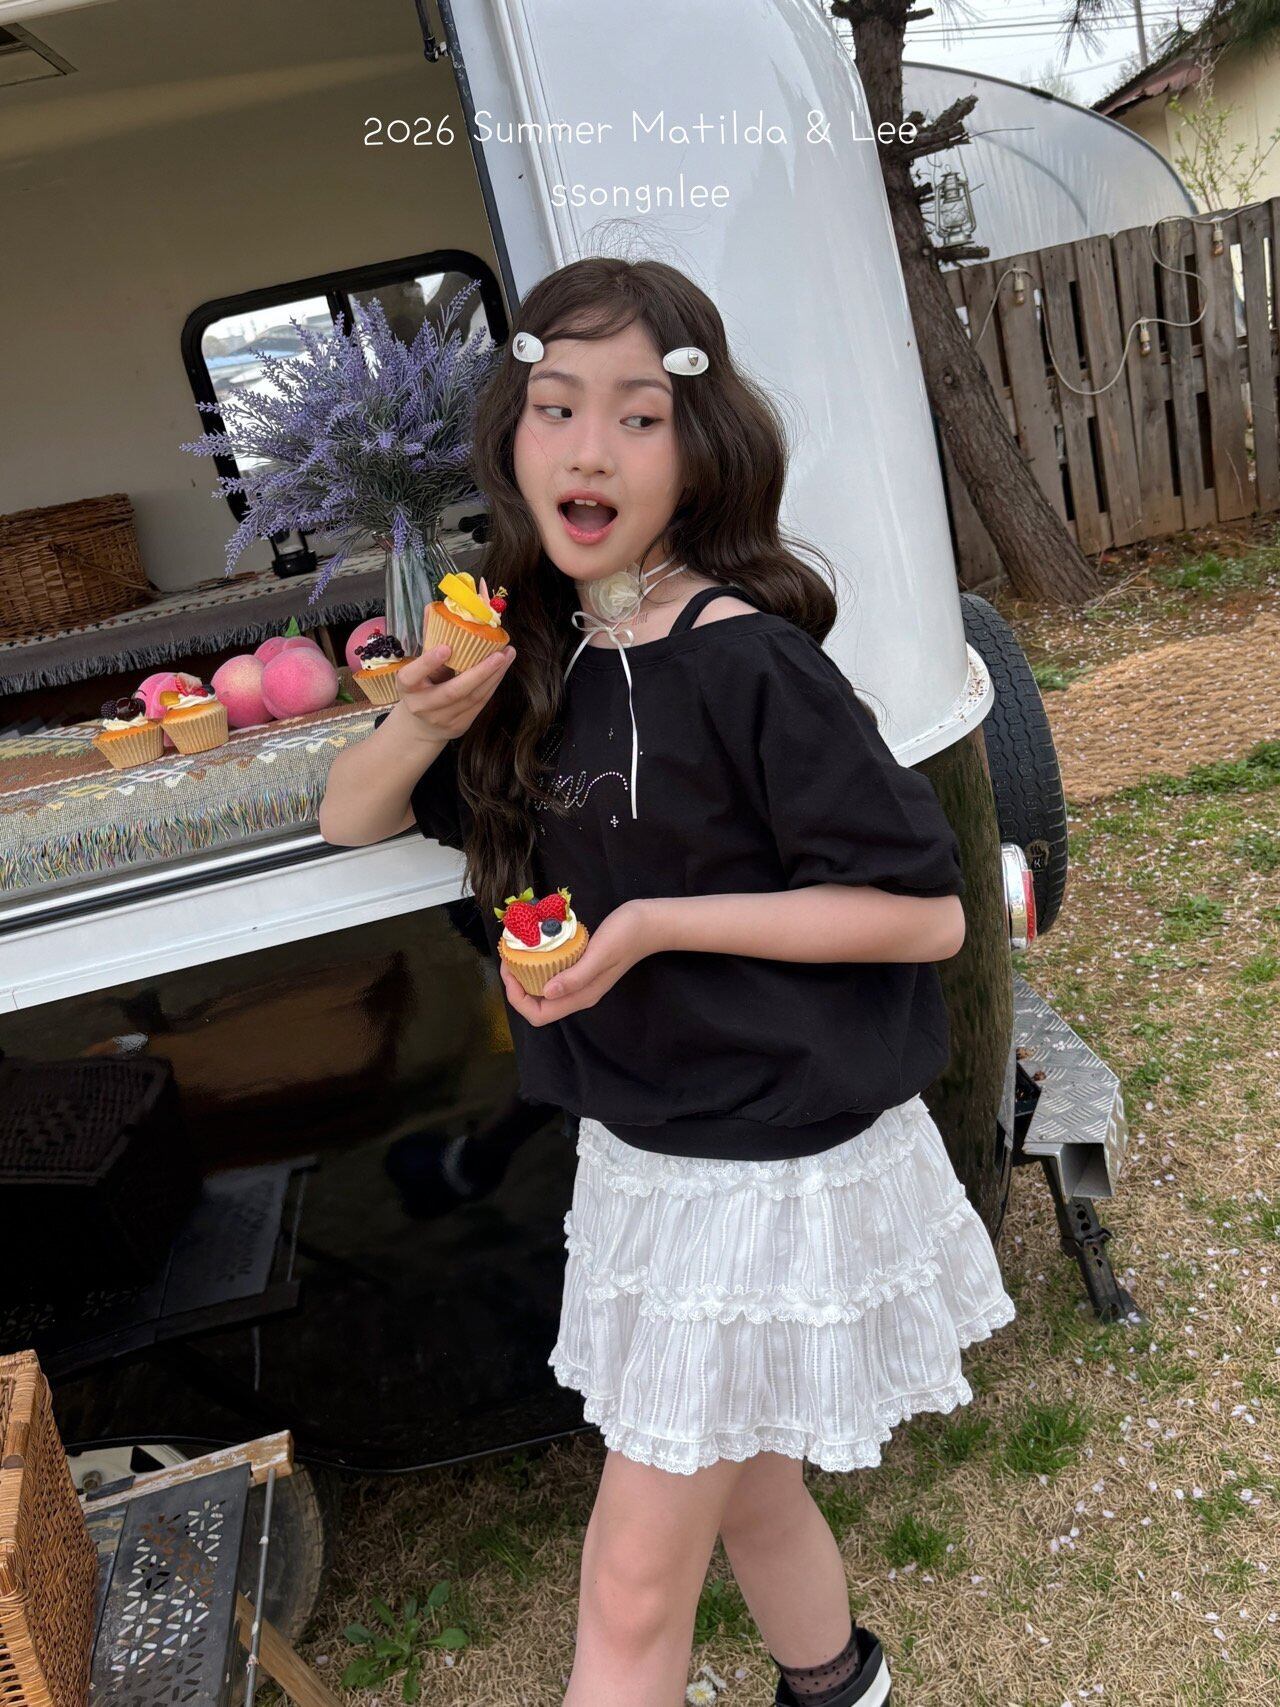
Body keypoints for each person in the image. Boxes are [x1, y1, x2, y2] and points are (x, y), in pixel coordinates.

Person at [320, 257, 1016, 1707]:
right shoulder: (533, 658)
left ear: (697, 450)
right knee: (751, 1485)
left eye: (639, 416)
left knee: (633, 1584)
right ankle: (840, 1686)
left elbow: (924, 918)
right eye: (559, 408)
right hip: (646, 1152)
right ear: (512, 436)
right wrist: (424, 715)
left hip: (764, 1166)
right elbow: (350, 817)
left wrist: (648, 930)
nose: (592, 449)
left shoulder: (751, 662)